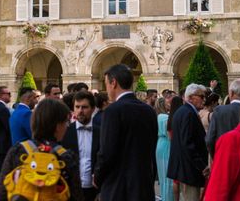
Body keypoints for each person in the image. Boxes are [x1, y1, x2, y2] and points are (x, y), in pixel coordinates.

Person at [0, 98, 83, 201]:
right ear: (57, 125)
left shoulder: (18, 150)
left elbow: (1, 193)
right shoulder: (66, 157)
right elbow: (76, 196)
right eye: (66, 122)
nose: (67, 126)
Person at [93, 64, 157, 201]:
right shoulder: (149, 111)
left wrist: (97, 177)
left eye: (106, 84)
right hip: (144, 183)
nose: (107, 89)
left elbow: (106, 151)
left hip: (119, 186)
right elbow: (152, 147)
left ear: (113, 82)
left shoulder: (112, 111)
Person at [168, 84, 209, 201]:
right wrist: (202, 166)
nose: (204, 99)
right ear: (191, 97)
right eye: (201, 96)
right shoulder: (189, 113)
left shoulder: (182, 111)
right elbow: (188, 144)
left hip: (184, 168)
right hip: (189, 170)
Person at [61, 90, 100, 201]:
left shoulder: (101, 132)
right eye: (77, 107)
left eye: (84, 107)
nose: (80, 111)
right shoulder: (65, 132)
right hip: (71, 190)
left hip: (94, 190)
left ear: (93, 109)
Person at [206, 78, 240, 157]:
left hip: (223, 157)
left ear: (231, 93)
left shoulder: (219, 111)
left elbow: (209, 140)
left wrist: (216, 156)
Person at [155, 96, 173, 201]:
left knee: (164, 176)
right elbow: (169, 133)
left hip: (161, 143)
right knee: (166, 175)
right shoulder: (163, 117)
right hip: (166, 144)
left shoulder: (160, 116)